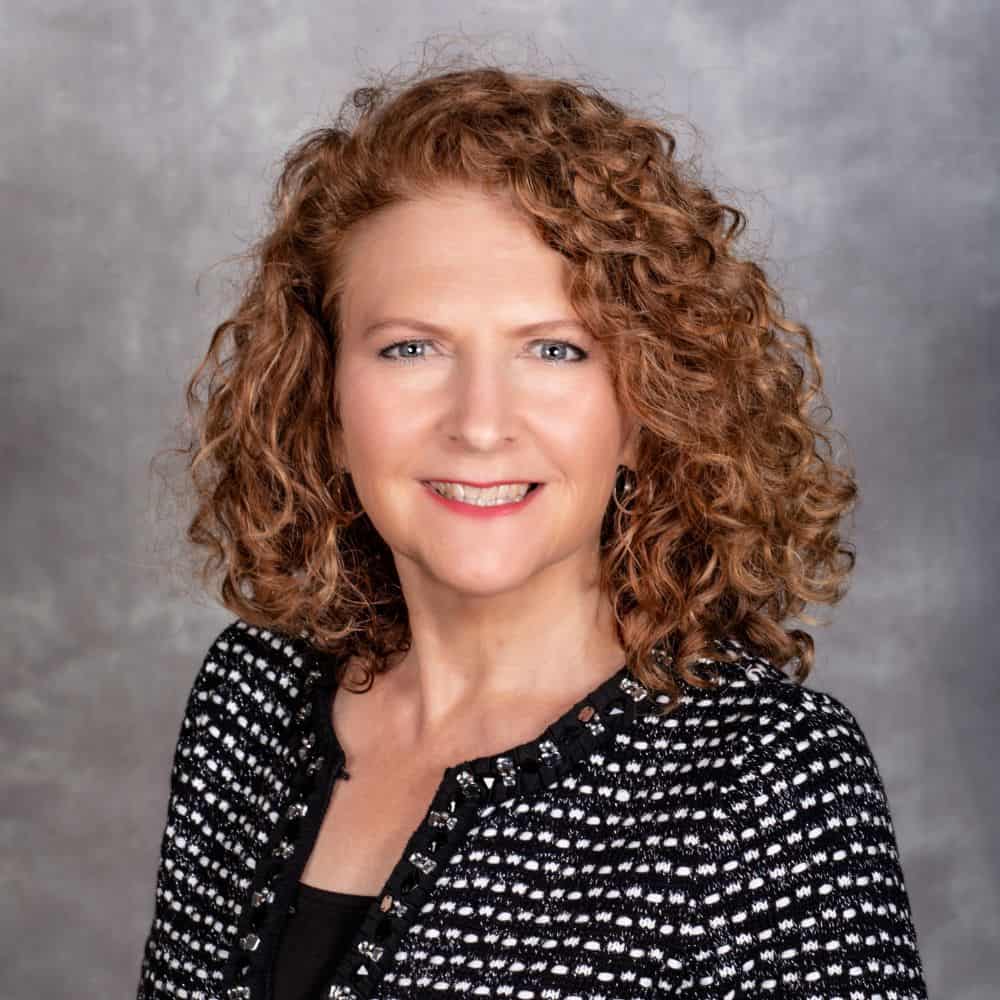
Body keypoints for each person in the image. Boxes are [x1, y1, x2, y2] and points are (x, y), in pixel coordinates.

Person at [136, 62, 929, 1000]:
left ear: (646, 404)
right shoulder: (252, 695)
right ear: (326, 395)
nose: (480, 422)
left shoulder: (768, 782)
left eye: (554, 350)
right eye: (411, 348)